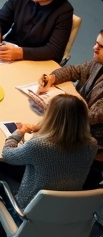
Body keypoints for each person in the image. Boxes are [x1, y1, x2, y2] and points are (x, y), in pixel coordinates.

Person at [0, 94, 98, 237]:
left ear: (51, 117)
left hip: (28, 210)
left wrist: (19, 132)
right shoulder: (91, 145)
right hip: (64, 210)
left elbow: (7, 154)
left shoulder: (41, 146)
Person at [36, 29, 103, 186]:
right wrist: (52, 78)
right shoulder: (97, 63)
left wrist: (56, 106)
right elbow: (75, 70)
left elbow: (89, 117)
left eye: (101, 46)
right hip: (76, 126)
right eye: (96, 43)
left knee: (33, 141)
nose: (94, 48)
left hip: (89, 145)